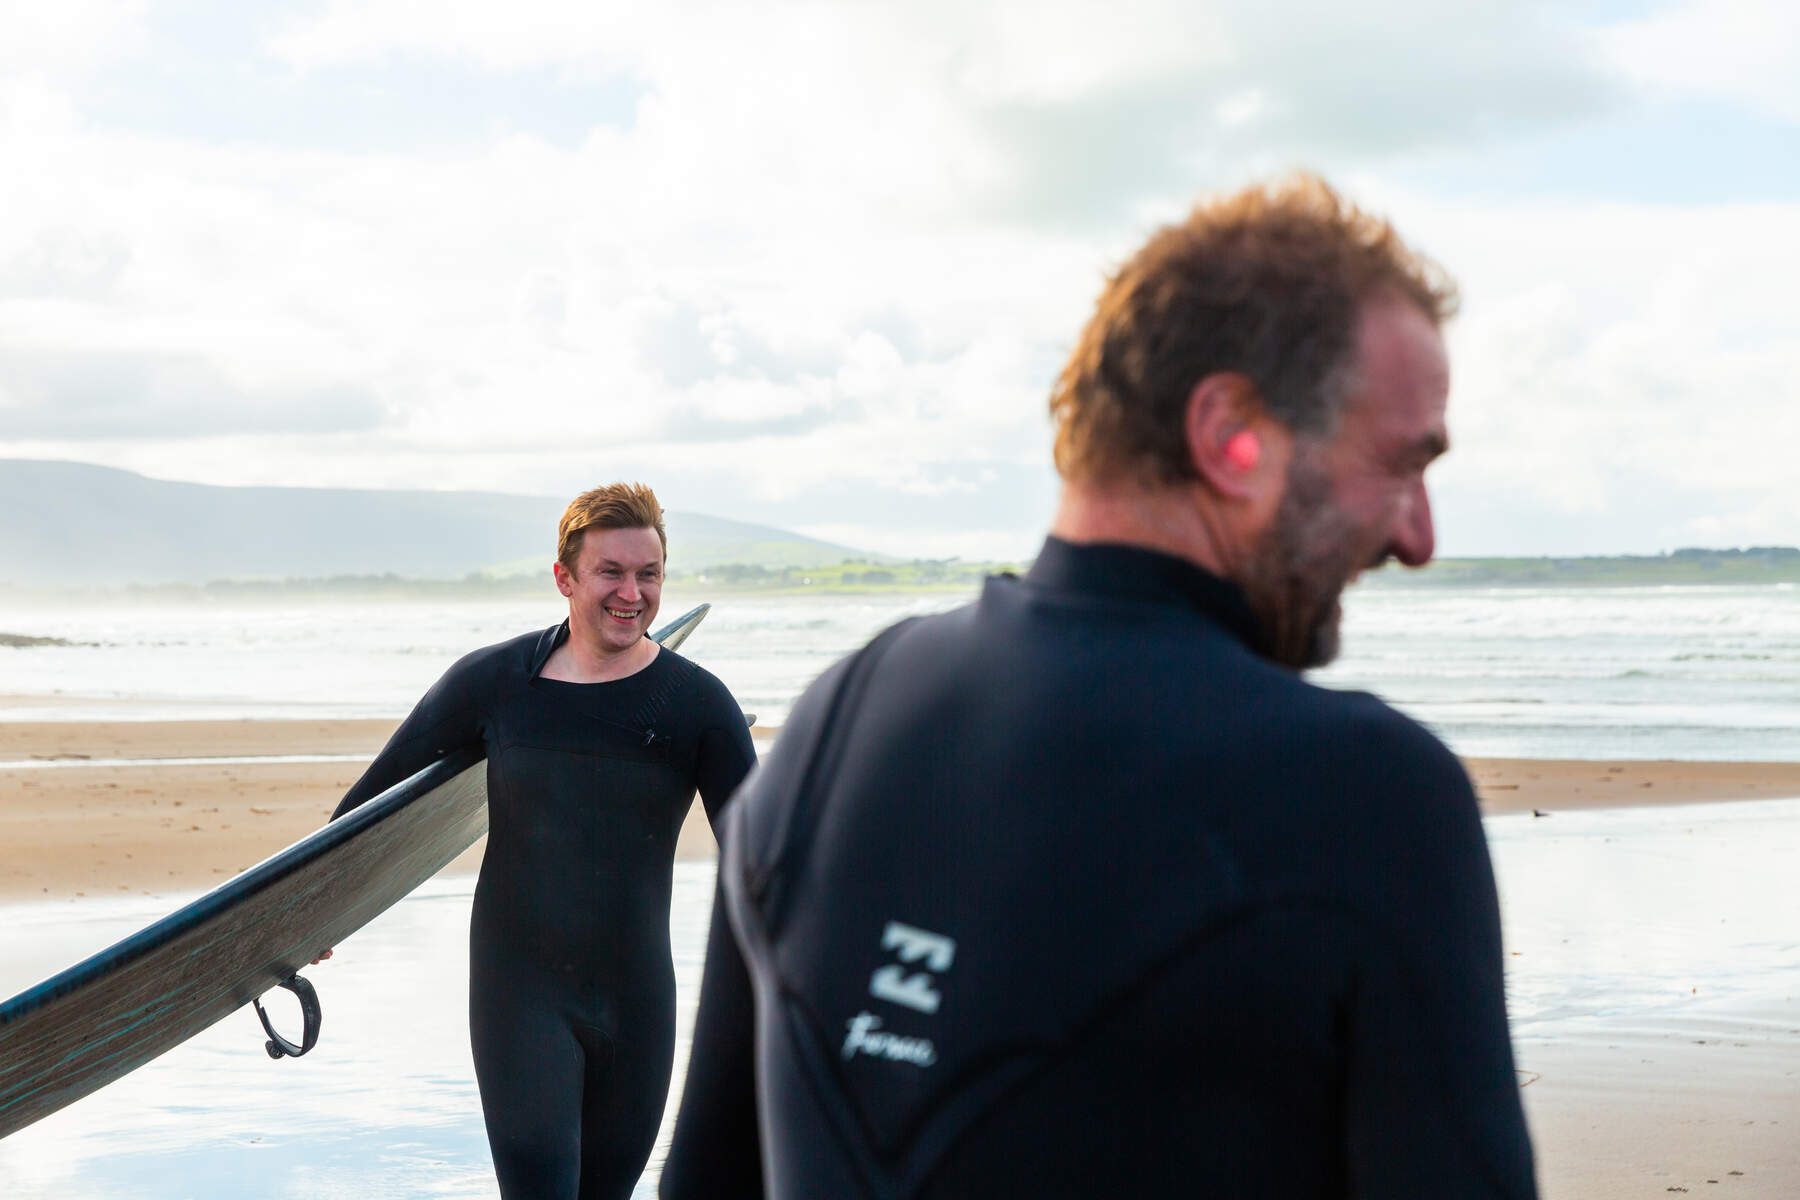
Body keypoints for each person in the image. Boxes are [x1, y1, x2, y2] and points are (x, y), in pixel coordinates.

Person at [661, 176, 1538, 1198]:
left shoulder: (837, 718)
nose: (1417, 535)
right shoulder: (1369, 797)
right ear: (1232, 437)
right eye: (1401, 464)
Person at [330, 482, 754, 1200]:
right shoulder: (498, 683)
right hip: (520, 995)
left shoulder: (697, 705)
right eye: (610, 573)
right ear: (564, 578)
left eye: (648, 574)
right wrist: (306, 916)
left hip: (637, 1000)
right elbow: (366, 809)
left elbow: (764, 852)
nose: (631, 593)